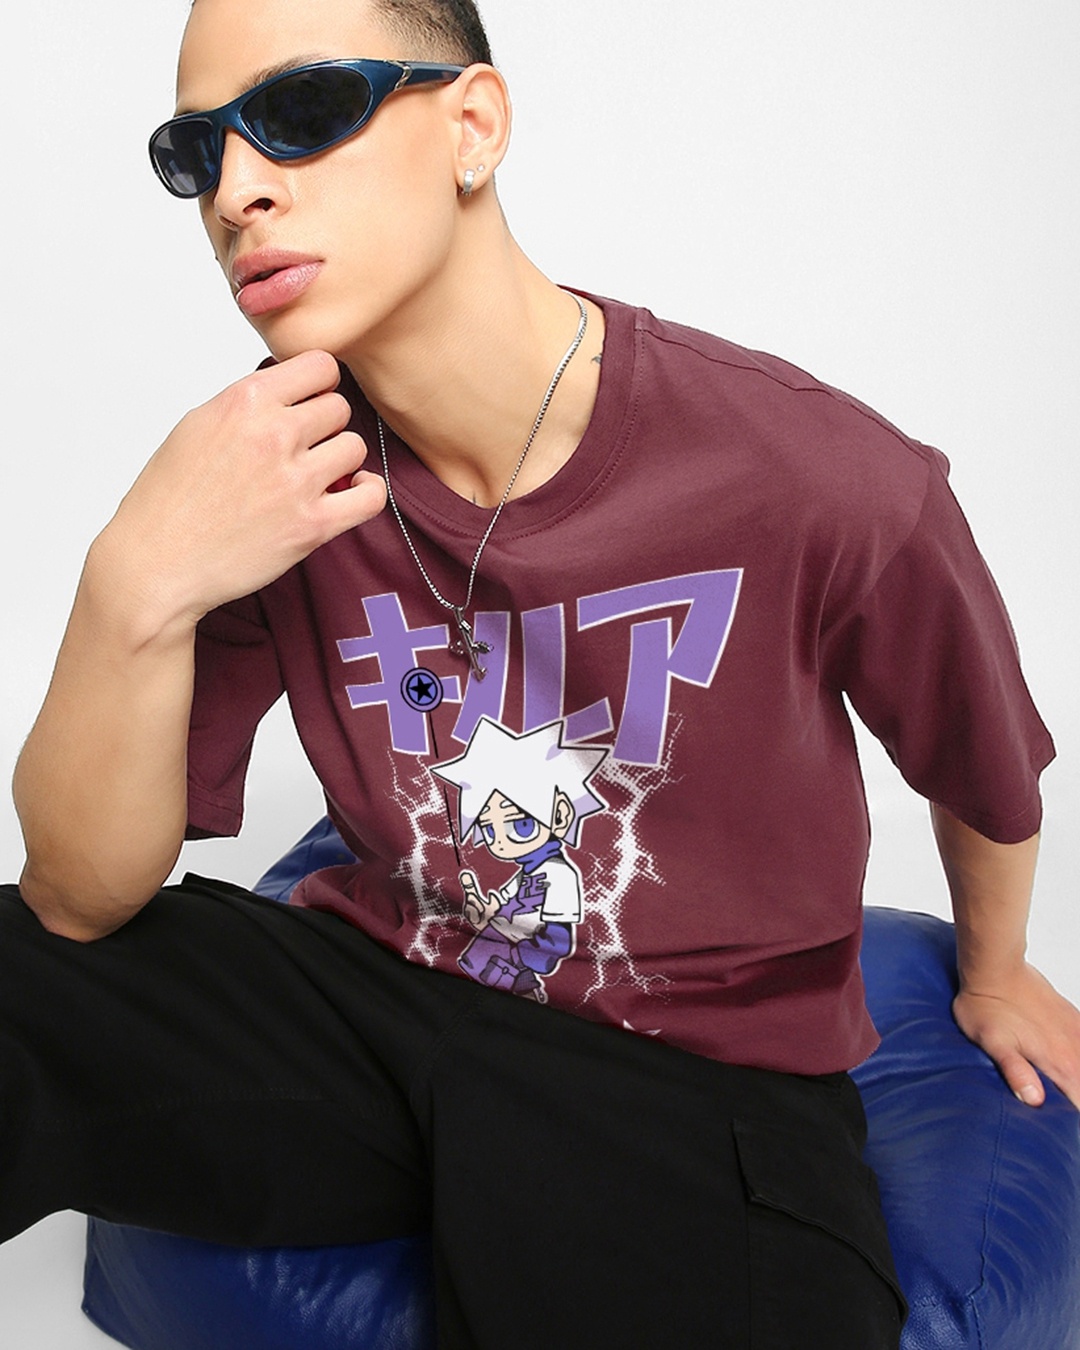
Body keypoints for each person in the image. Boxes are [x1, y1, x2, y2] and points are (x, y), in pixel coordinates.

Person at [2, 0, 1077, 1345]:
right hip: (381, 996)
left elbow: (982, 760)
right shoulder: (273, 479)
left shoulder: (815, 473)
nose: (235, 193)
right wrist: (129, 582)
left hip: (690, 1074)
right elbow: (76, 900)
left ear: (475, 125)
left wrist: (997, 968)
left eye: (301, 111)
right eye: (195, 150)